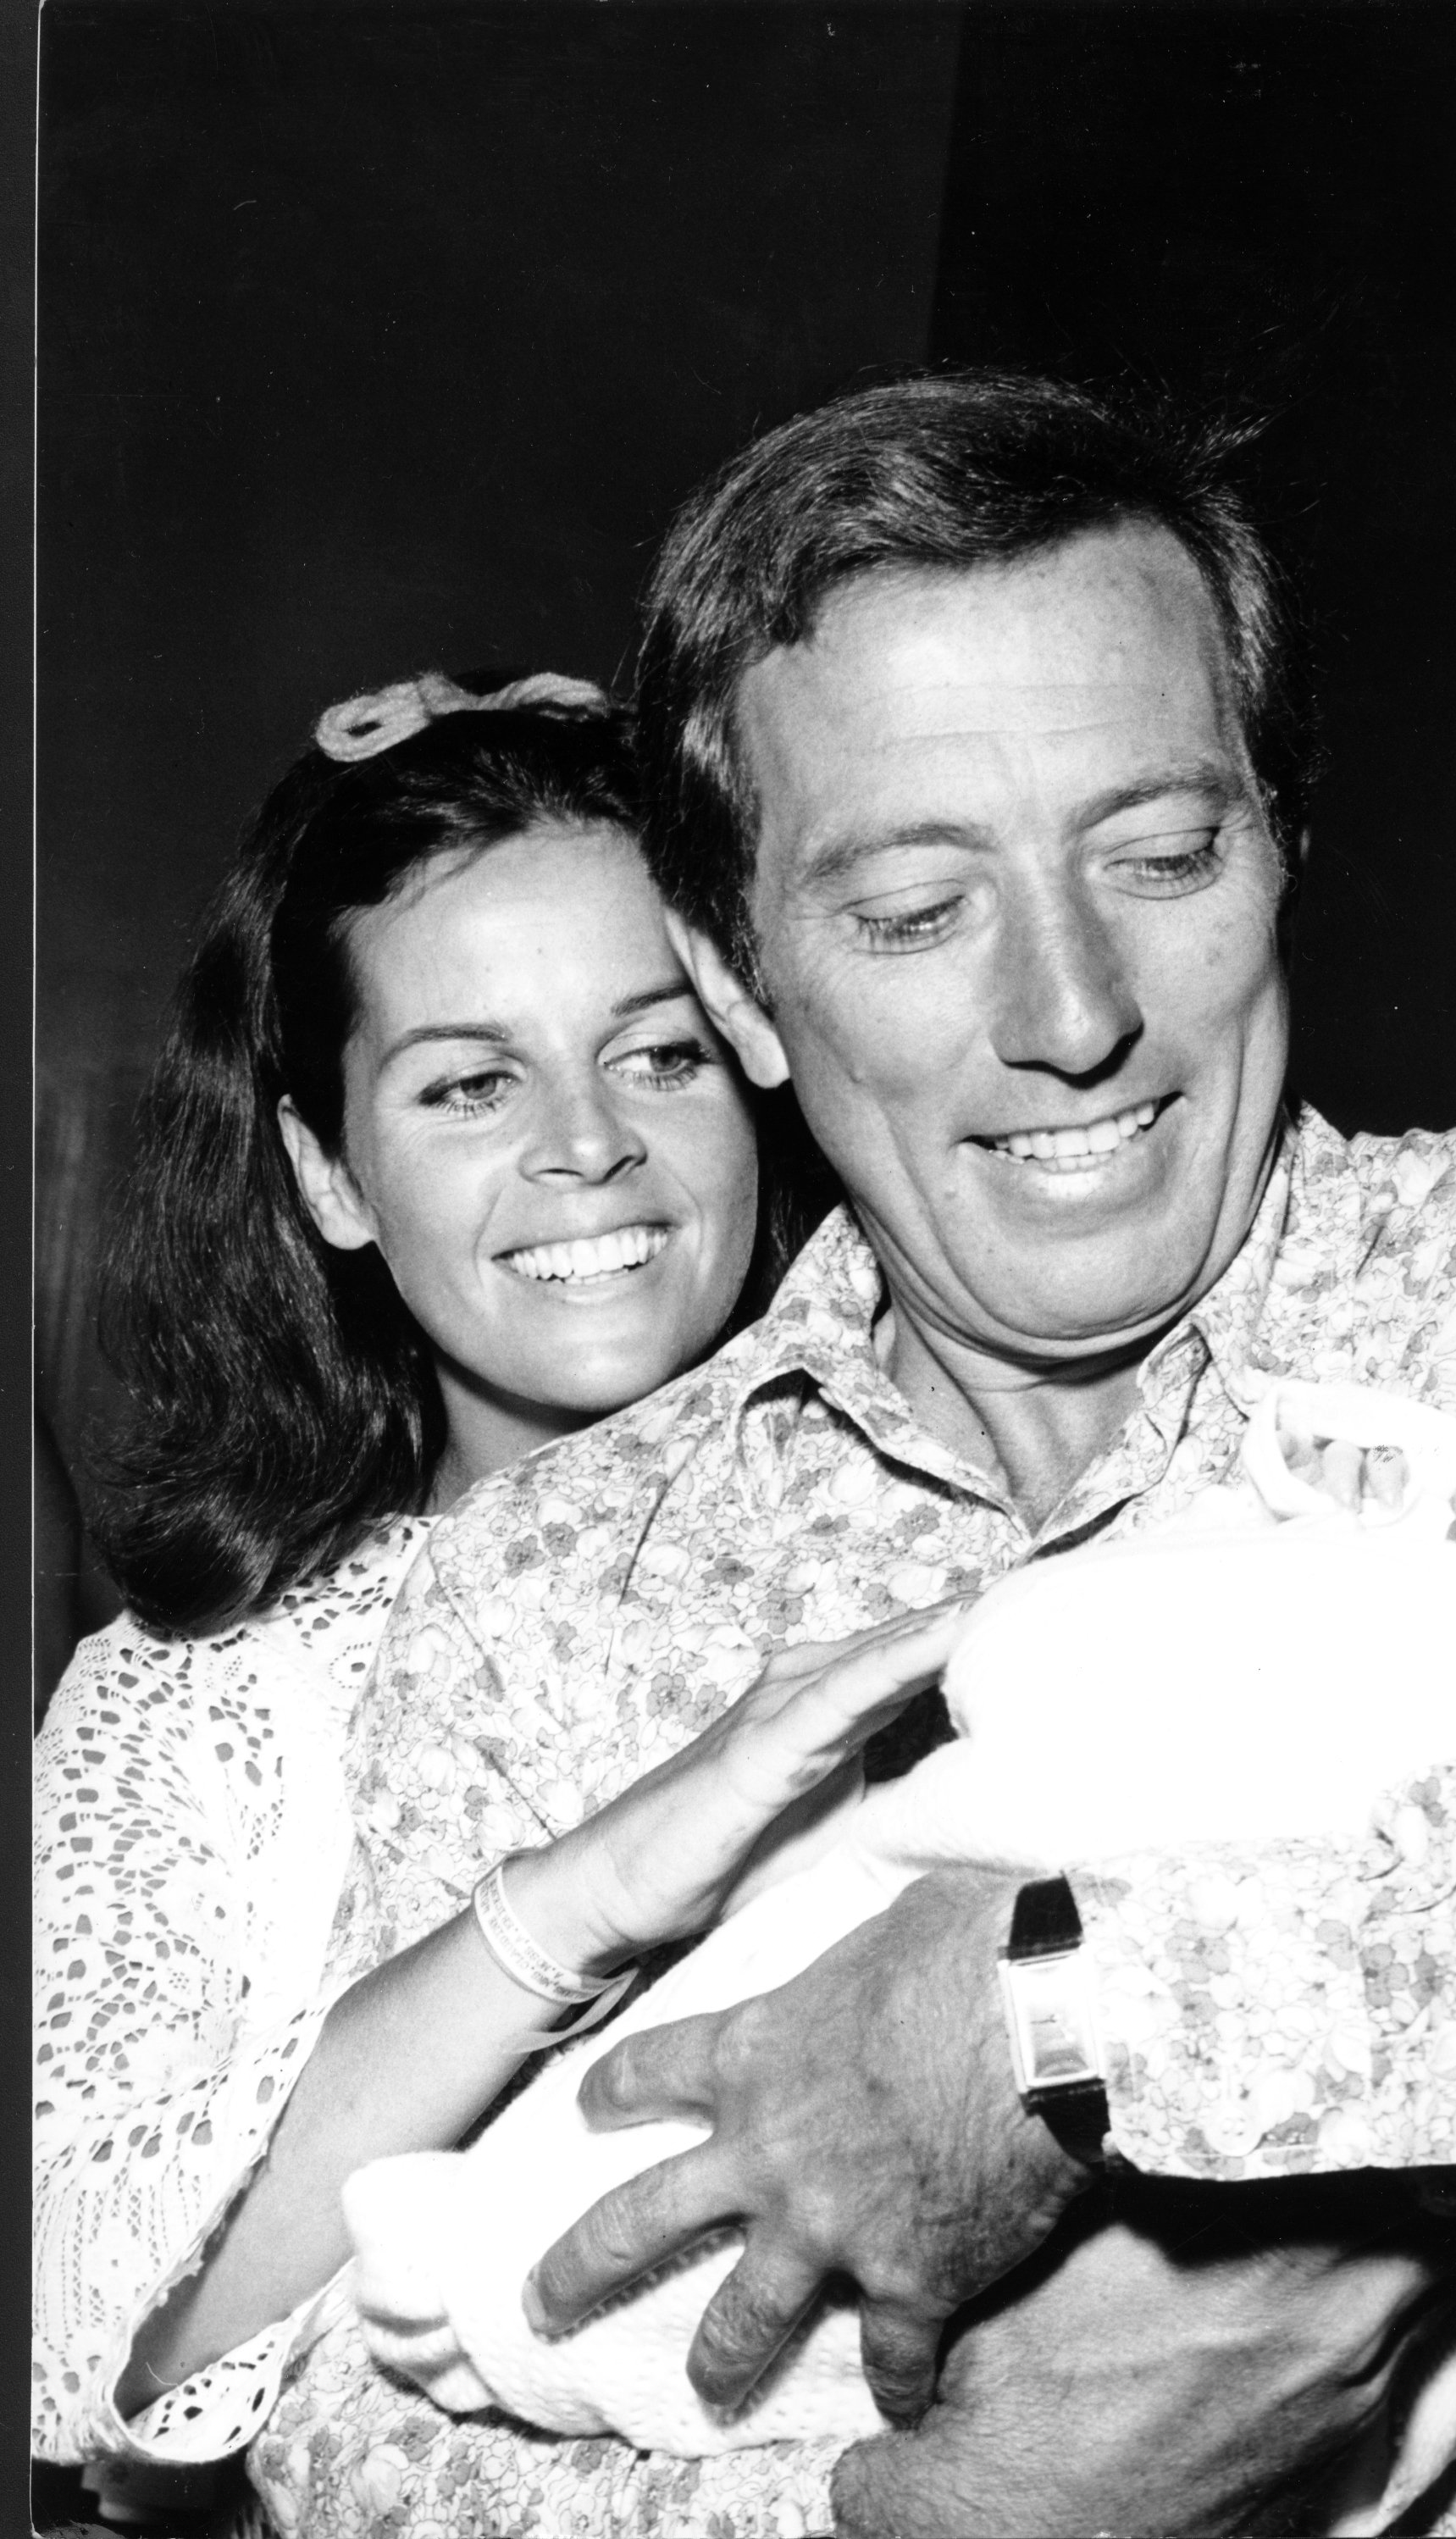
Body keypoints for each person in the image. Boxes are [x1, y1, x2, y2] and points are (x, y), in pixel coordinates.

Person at [259, 376, 1456, 2539]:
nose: (1076, 1005)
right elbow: (347, 2435)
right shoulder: (552, 1590)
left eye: (1165, 851)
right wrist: (945, 2518)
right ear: (733, 976)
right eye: (916, 909)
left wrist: (1073, 2018)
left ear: (1282, 837)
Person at [335, 1306, 1456, 2486]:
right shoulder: (533, 1559)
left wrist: (1060, 2008)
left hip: (1070, 2039)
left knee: (685, 2242)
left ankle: (496, 2300)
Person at [30, 670, 960, 2510]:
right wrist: (604, 1881)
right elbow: (102, 2374)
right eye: (468, 1079)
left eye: (660, 1048)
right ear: (328, 1172)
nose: (586, 1140)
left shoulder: (944, 1547)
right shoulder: (200, 1709)